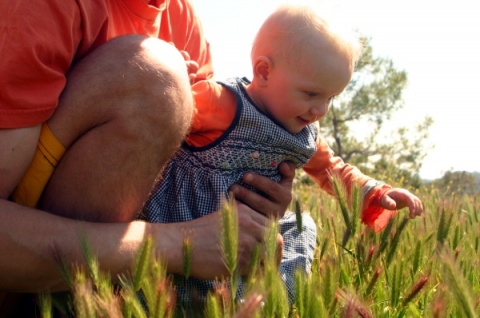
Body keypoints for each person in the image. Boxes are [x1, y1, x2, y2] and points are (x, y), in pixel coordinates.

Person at [0, 0, 295, 314]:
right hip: (21, 286)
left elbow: (198, 165)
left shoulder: (182, 19)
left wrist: (250, 194)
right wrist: (176, 245)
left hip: (111, 270)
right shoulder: (39, 9)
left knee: (298, 231)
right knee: (154, 74)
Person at [142, 4, 424, 303]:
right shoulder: (220, 102)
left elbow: (333, 170)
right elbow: (159, 119)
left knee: (301, 228)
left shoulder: (304, 134)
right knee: (171, 284)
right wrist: (175, 84)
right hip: (188, 220)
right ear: (264, 71)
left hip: (250, 232)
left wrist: (376, 192)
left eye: (331, 98)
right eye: (311, 94)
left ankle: (268, 300)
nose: (320, 111)